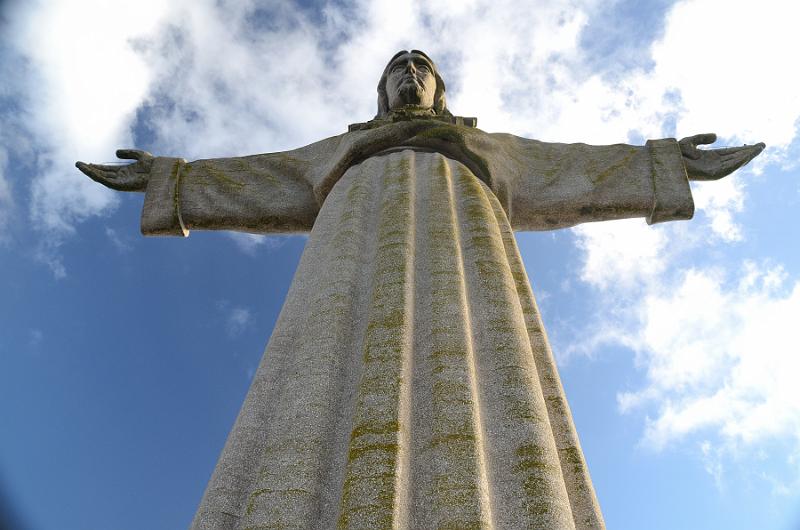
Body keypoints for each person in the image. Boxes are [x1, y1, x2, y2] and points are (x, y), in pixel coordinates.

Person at [78, 50, 764, 530]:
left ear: (439, 90)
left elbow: (577, 168)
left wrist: (662, 164)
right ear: (382, 93)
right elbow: (261, 177)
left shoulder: (486, 149)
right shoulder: (339, 155)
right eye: (398, 71)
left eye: (421, 70)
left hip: (467, 239)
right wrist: (172, 181)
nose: (410, 77)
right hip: (349, 240)